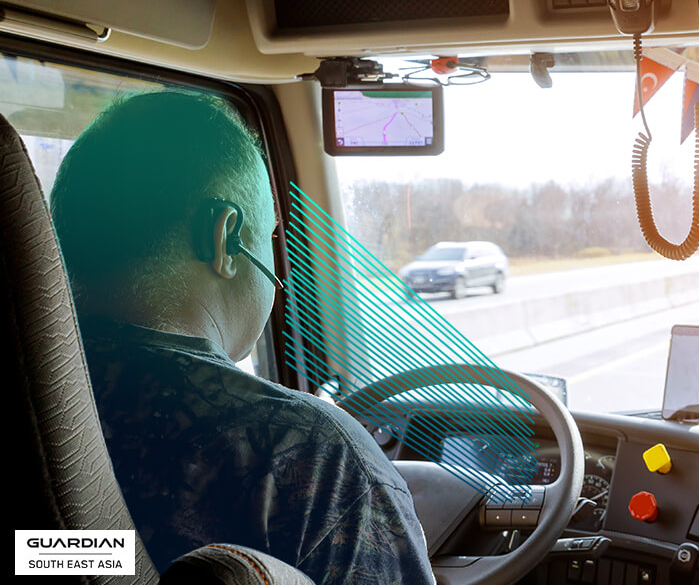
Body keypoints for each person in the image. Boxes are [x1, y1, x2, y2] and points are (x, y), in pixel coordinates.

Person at [49, 91, 434, 584]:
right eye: (270, 238)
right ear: (224, 237)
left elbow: (66, 556)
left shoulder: (40, 417)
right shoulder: (308, 456)